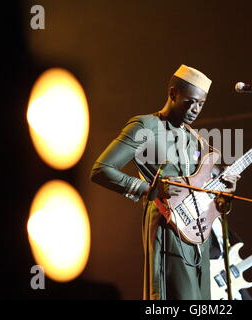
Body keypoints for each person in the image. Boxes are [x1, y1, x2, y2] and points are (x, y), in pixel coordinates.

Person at [90, 65, 240, 300]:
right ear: (172, 94)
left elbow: (202, 193)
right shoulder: (145, 126)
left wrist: (223, 196)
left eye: (201, 104)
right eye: (190, 101)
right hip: (166, 225)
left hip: (198, 235)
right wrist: (148, 189)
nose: (195, 109)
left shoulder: (196, 140)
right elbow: (101, 169)